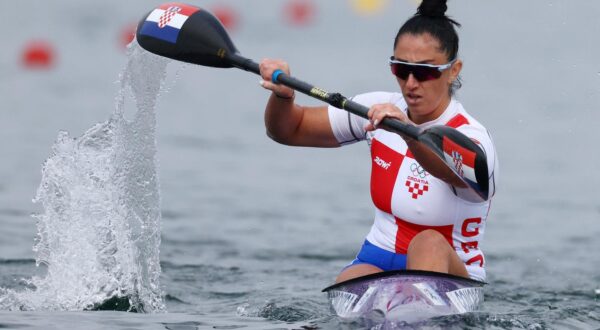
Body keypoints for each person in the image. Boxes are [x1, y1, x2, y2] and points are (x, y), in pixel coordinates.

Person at [258, 0, 498, 283]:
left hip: (446, 267)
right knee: (348, 281)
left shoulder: (472, 137)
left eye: (424, 72)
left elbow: (454, 172)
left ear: (453, 70)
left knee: (428, 240)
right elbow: (289, 130)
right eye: (400, 69)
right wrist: (283, 96)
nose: (410, 83)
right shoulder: (376, 108)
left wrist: (405, 129)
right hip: (378, 256)